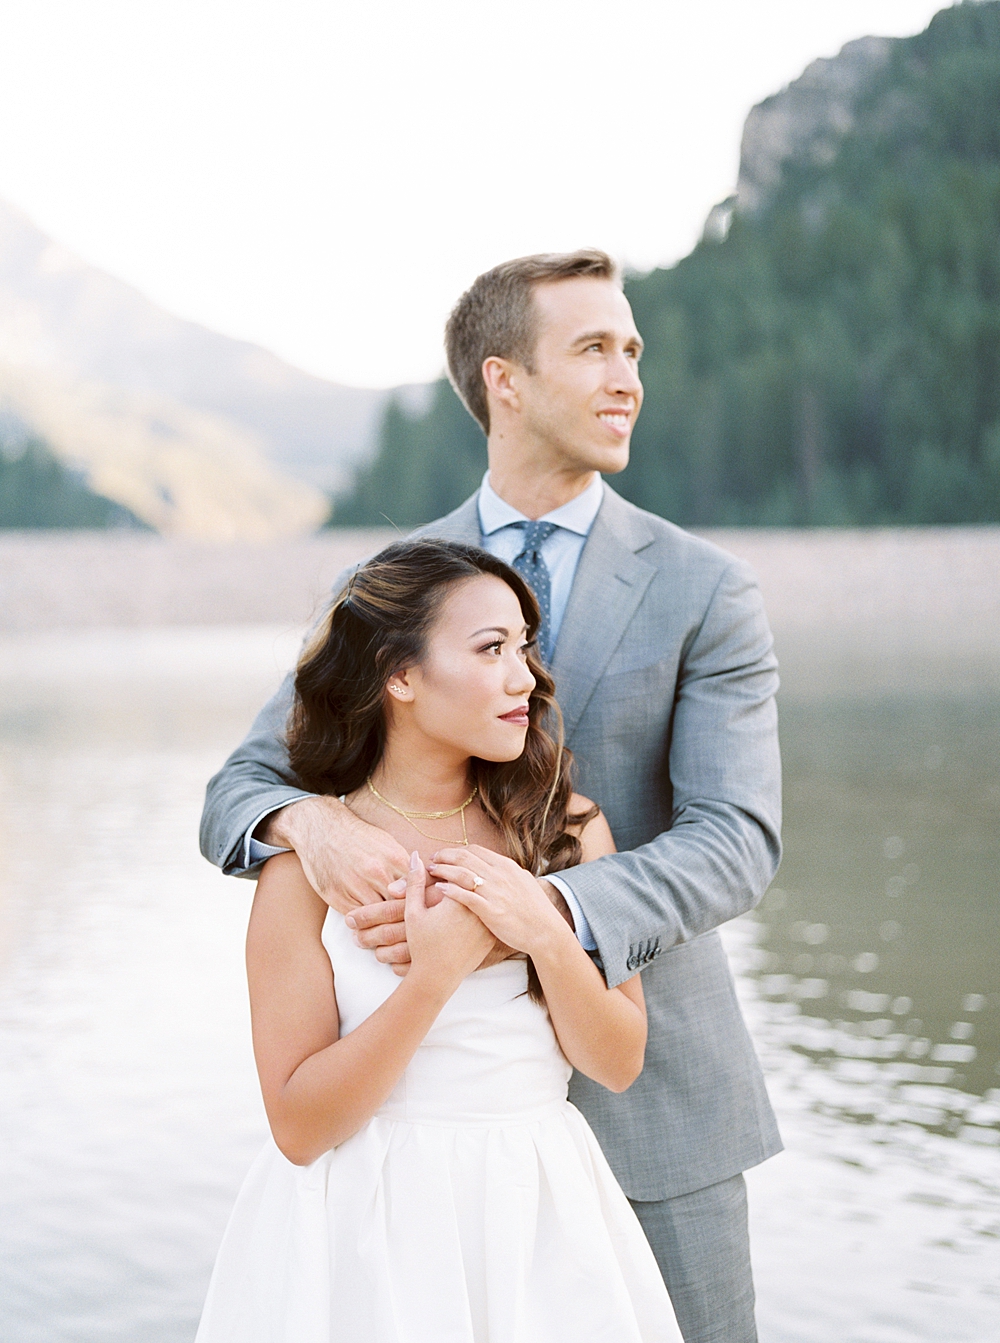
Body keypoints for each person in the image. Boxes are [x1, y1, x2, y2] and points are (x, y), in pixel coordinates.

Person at [200, 249, 783, 1342]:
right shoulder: (390, 591)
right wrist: (313, 823)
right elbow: (244, 780)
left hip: (655, 1104)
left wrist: (540, 910)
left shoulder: (705, 588)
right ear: (503, 381)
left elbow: (736, 839)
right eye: (594, 348)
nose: (628, 377)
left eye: (633, 350)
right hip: (407, 1149)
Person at [196, 539, 683, 1342]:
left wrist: (542, 928)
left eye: (523, 647)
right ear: (401, 675)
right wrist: (432, 978)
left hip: (537, 1215)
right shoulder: (306, 865)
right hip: (363, 1228)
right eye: (491, 649)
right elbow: (299, 1127)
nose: (525, 677)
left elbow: (618, 1061)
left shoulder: (566, 830)